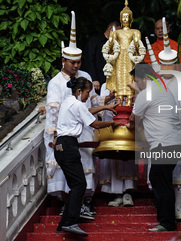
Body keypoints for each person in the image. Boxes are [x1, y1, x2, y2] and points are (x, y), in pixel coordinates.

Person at [43, 11, 116, 220]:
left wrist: (107, 100)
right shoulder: (55, 83)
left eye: (78, 62)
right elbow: (53, 111)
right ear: (63, 60)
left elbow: (92, 102)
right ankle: (69, 207)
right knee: (68, 170)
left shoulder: (85, 76)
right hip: (65, 135)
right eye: (72, 63)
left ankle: (84, 204)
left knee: (85, 167)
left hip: (84, 131)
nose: (76, 66)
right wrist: (54, 136)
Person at [54, 76, 119, 237]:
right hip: (69, 146)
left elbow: (86, 111)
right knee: (79, 185)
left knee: (76, 185)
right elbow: (95, 124)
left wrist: (105, 106)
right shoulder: (76, 104)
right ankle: (70, 222)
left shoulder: (68, 101)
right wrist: (111, 123)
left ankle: (63, 223)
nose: (88, 96)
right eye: (87, 93)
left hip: (61, 147)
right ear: (79, 91)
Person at [147, 17, 181, 219]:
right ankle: (162, 207)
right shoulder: (154, 84)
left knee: (179, 169)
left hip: (179, 133)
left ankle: (178, 206)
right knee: (159, 172)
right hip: (159, 136)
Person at [126, 63, 181, 232]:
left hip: (163, 144)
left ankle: (167, 223)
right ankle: (167, 221)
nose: (136, 84)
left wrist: (132, 127)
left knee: (160, 180)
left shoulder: (146, 94)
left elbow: (132, 120)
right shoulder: (163, 89)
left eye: (137, 81)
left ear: (145, 79)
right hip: (174, 142)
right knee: (162, 180)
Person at [98, 83, 139, 206]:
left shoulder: (134, 84)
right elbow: (101, 111)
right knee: (113, 159)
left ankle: (128, 192)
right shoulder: (107, 84)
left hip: (129, 127)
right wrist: (110, 101)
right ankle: (116, 194)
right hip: (113, 127)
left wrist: (134, 101)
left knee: (128, 159)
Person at [104, 0, 145, 106]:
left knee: (130, 76)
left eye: (127, 17)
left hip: (131, 58)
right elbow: (110, 46)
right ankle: (119, 99)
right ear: (120, 19)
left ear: (131, 19)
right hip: (118, 58)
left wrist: (136, 41)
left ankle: (130, 100)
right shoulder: (115, 32)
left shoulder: (135, 31)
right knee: (119, 77)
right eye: (123, 17)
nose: (125, 19)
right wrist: (111, 41)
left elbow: (138, 46)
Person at [84, 21, 121, 93]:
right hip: (97, 80)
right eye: (118, 32)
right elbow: (89, 60)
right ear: (110, 28)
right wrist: (94, 78)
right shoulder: (95, 40)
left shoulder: (116, 44)